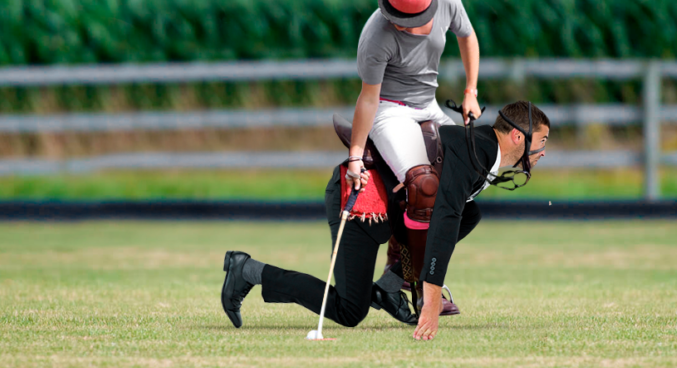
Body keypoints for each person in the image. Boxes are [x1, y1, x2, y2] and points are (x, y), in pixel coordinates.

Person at [221, 101, 551, 341]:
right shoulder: (475, 152)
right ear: (518, 137)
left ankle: (390, 287)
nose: (544, 152)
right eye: (543, 142)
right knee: (351, 311)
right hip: (360, 200)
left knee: (470, 214)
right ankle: (247, 270)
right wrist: (431, 296)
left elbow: (444, 216)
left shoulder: (481, 152)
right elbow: (445, 219)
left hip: (389, 211)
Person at [347, 0, 482, 316]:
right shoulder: (375, 35)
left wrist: (471, 91)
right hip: (390, 110)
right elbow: (369, 98)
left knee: (474, 175)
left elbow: (467, 37)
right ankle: (425, 291)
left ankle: (395, 277)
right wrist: (356, 155)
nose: (398, 26)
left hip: (428, 105)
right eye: (393, 18)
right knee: (423, 186)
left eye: (406, 22)